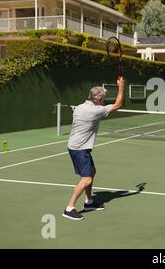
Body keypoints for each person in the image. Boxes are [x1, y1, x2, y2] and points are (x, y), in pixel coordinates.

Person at [63, 77, 125, 221]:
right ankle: (69, 208)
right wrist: (121, 87)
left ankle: (89, 202)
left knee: (92, 171)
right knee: (86, 179)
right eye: (103, 98)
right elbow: (118, 104)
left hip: (76, 146)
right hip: (80, 148)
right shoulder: (94, 111)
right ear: (98, 99)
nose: (104, 101)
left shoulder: (80, 106)